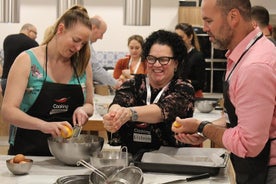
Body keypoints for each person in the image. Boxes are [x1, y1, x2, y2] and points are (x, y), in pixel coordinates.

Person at [171, 0, 276, 184]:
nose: (204, 28)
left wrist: (202, 127)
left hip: (267, 171)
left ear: (233, 17)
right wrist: (201, 127)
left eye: (208, 21)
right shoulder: (243, 54)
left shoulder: (254, 66)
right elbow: (238, 120)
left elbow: (247, 144)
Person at [1, 5, 94, 156]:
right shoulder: (27, 60)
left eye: (83, 44)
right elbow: (8, 111)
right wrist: (43, 125)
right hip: (28, 153)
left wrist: (83, 110)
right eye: (76, 40)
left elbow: (90, 104)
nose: (78, 48)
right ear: (60, 29)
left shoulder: (82, 65)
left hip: (67, 155)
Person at [103, 29, 195, 157]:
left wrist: (129, 113)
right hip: (131, 163)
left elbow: (163, 111)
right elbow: (119, 101)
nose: (157, 64)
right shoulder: (133, 84)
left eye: (164, 59)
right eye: (151, 59)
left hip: (171, 164)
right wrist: (114, 115)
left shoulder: (183, 88)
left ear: (176, 63)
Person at [1, 23, 39, 95]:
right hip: (19, 83)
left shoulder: (8, 39)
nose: (36, 36)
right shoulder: (32, 43)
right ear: (29, 31)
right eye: (35, 33)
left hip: (5, 80)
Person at [89, 15, 122, 89]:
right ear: (93, 28)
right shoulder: (85, 45)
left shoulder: (88, 45)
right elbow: (95, 70)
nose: (101, 38)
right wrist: (115, 83)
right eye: (101, 33)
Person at [175, 23, 206, 98]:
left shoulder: (198, 56)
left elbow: (201, 84)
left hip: (193, 97)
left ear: (190, 37)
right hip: (179, 96)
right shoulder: (176, 55)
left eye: (181, 37)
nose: (178, 40)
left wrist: (184, 82)